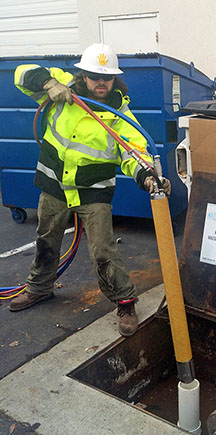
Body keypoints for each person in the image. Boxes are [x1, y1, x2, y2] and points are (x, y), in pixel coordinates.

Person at [9, 43, 170, 337]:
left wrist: (148, 177)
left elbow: (134, 152)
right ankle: (39, 288)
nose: (101, 83)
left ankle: (125, 301)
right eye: (95, 76)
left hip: (93, 192)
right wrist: (48, 83)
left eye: (106, 78)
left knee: (103, 251)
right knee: (46, 238)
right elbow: (20, 75)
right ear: (83, 74)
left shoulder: (119, 115)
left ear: (114, 80)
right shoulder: (61, 87)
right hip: (55, 184)